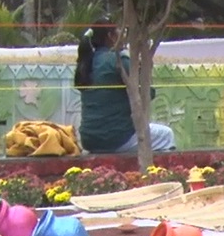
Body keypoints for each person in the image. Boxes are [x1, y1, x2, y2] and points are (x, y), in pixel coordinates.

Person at [74, 25, 176, 153]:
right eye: (120, 31)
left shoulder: (87, 62)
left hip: (89, 140)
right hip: (117, 138)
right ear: (111, 37)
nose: (123, 35)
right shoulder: (118, 60)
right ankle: (153, 172)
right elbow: (147, 93)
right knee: (166, 135)